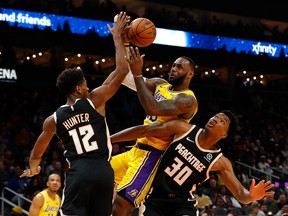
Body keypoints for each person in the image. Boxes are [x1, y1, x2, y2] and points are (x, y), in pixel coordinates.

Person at [20, 11, 130, 216]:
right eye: (85, 84)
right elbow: (122, 70)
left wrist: (34, 168)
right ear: (78, 89)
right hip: (104, 171)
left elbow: (37, 151)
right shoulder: (95, 100)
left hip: (79, 172)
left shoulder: (53, 119)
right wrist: (117, 37)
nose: (88, 86)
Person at [111, 110, 275, 216]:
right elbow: (145, 131)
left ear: (225, 134)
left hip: (182, 204)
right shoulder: (182, 129)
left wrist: (252, 196)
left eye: (222, 121)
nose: (215, 119)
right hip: (155, 197)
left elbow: (241, 194)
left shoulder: (220, 162)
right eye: (215, 116)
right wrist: (109, 140)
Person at [111, 46, 198, 215]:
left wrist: (138, 74)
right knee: (97, 174)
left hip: (153, 157)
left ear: (190, 74)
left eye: (179, 67)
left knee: (121, 206)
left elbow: (153, 108)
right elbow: (125, 77)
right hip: (136, 150)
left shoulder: (188, 100)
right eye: (173, 65)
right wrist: (121, 42)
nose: (174, 68)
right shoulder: (160, 84)